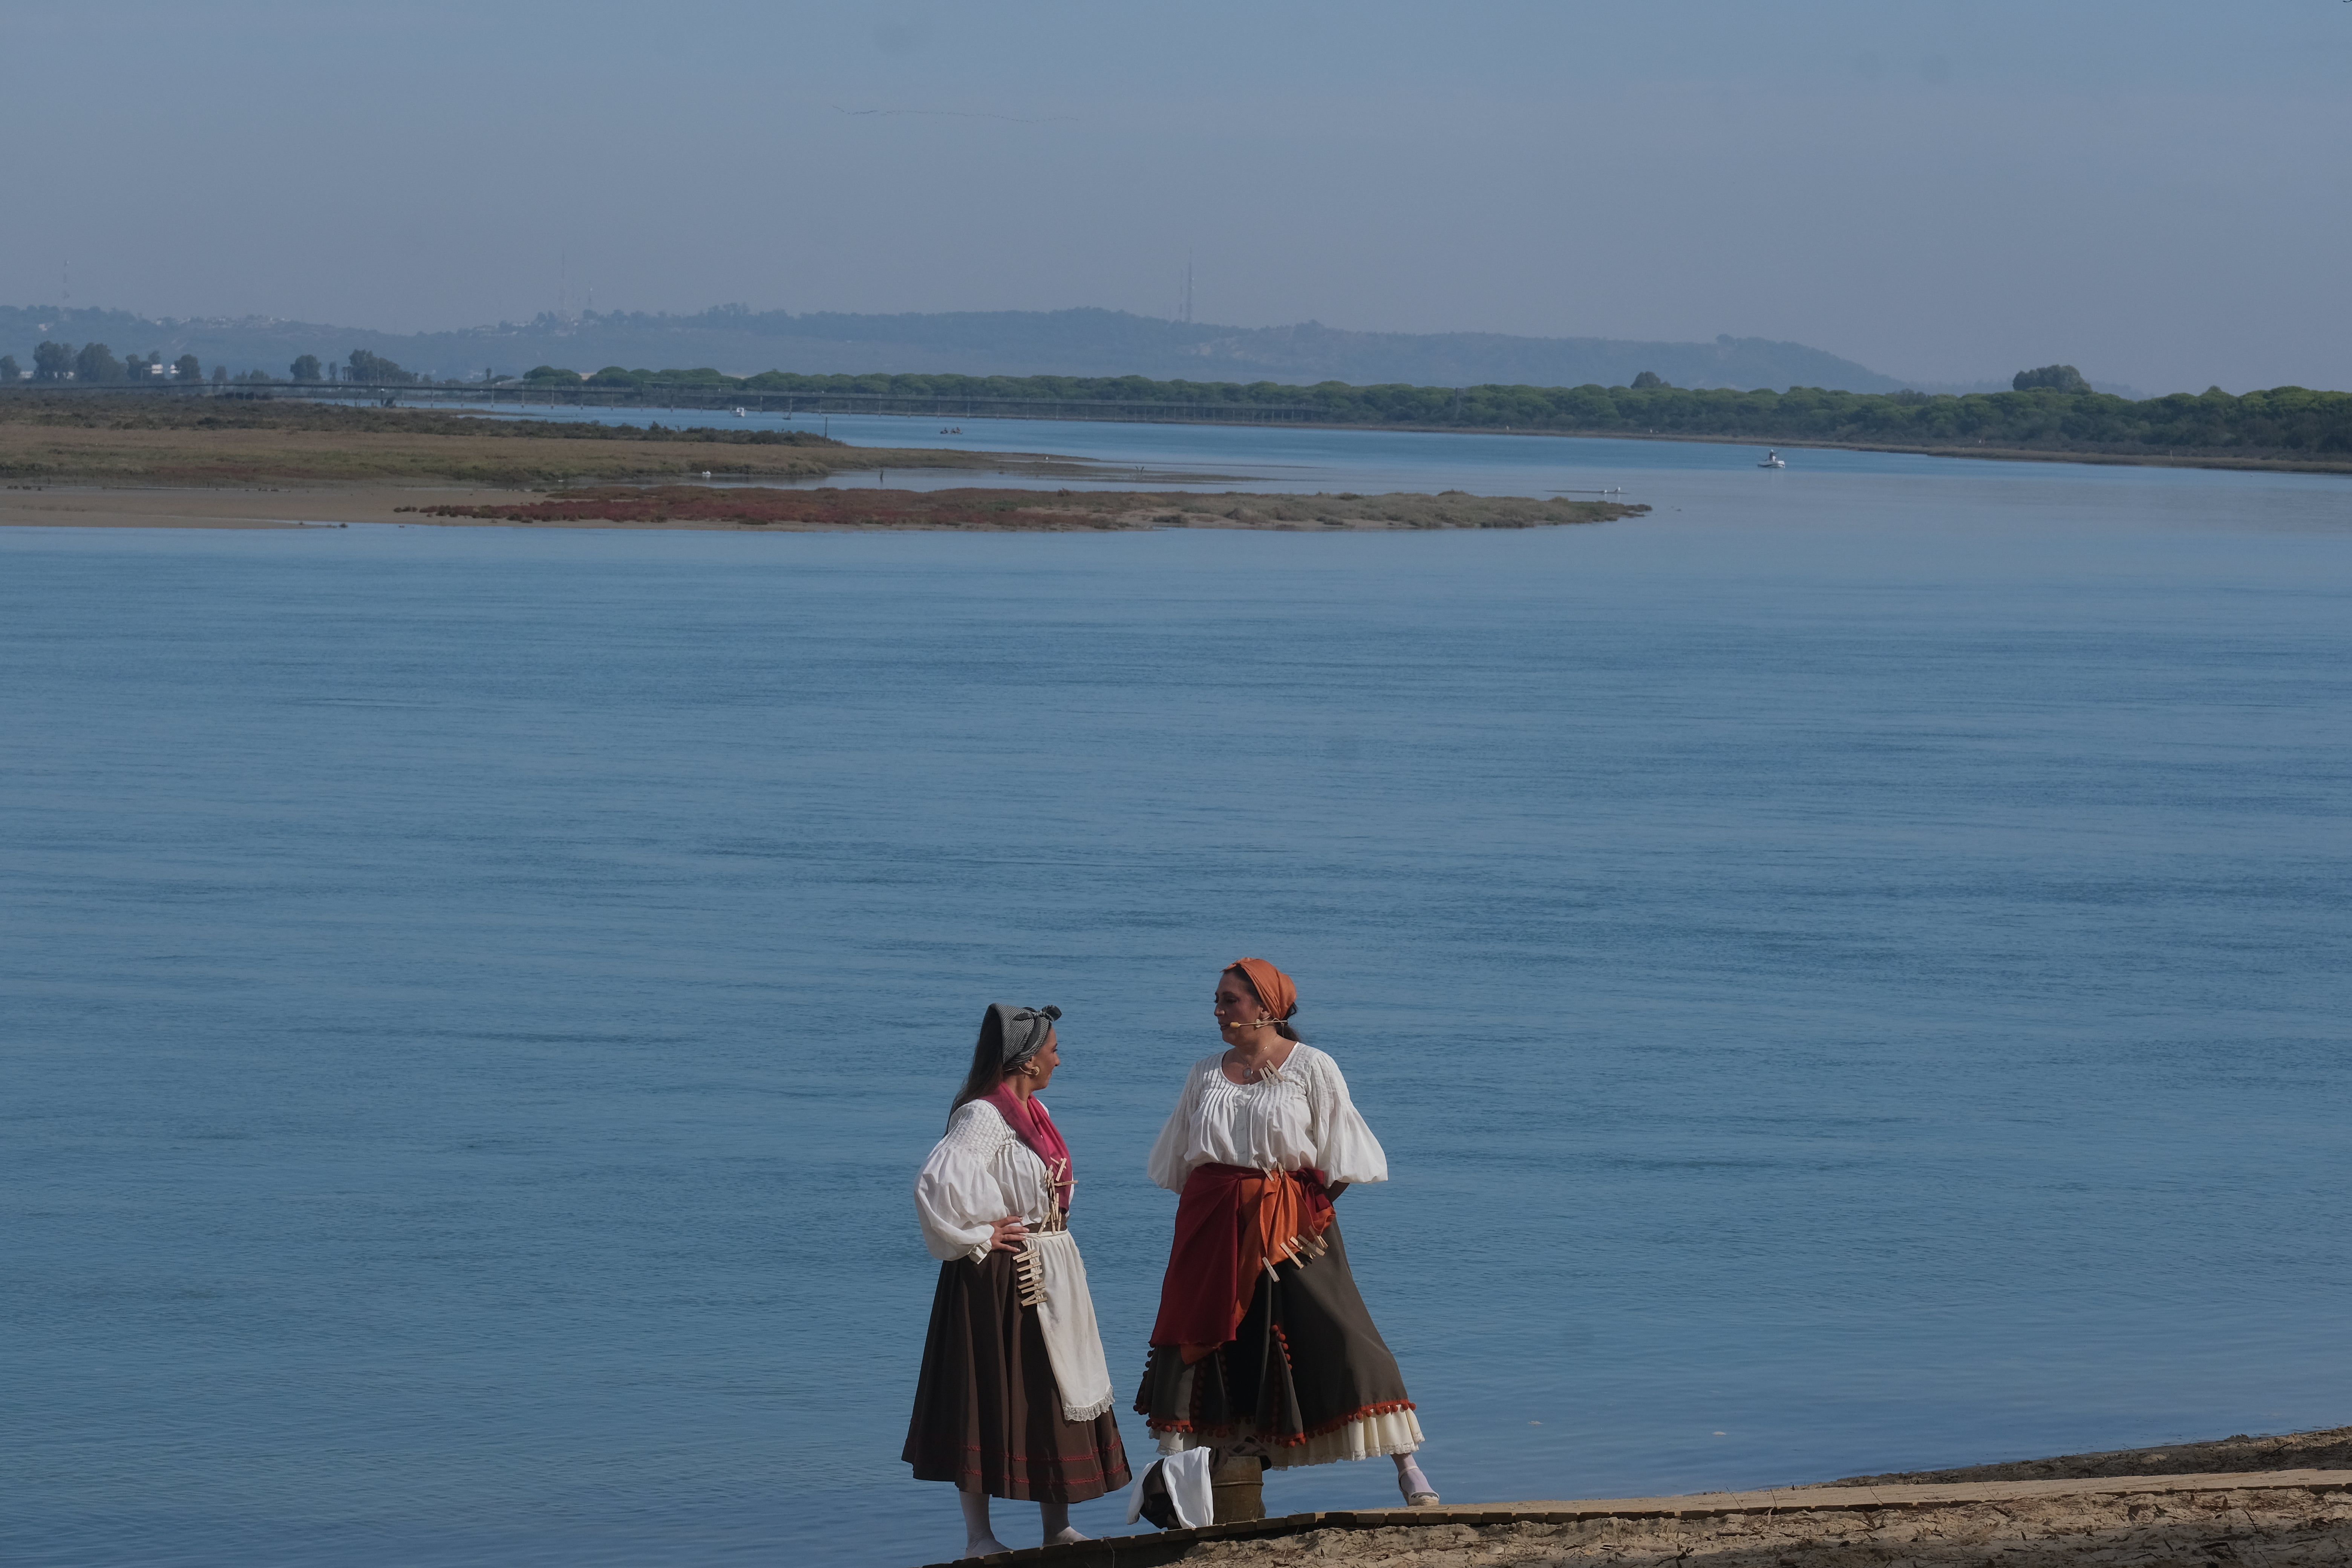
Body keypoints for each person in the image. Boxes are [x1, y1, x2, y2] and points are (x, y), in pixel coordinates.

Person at [1135, 959, 1438, 1507]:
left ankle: (1406, 1463)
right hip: (1212, 1227)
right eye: (1219, 1001)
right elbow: (1181, 1161)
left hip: (1293, 1221)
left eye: (1231, 1001)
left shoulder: (1313, 1067)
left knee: (1343, 1331)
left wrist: (1307, 1214)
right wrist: (1220, 1218)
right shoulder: (1205, 1073)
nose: (1220, 1011)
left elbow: (1345, 1159)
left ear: (1267, 1009)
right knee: (1208, 1347)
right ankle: (1202, 1483)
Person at [905, 1003, 1130, 1558]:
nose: (1060, 1057)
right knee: (985, 1393)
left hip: (1052, 1266)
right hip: (1002, 1275)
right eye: (1053, 1050)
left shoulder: (1035, 1111)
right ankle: (979, 1538)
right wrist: (980, 1233)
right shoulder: (983, 1117)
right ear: (1028, 1061)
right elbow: (936, 1183)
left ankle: (1057, 1528)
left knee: (1053, 1390)